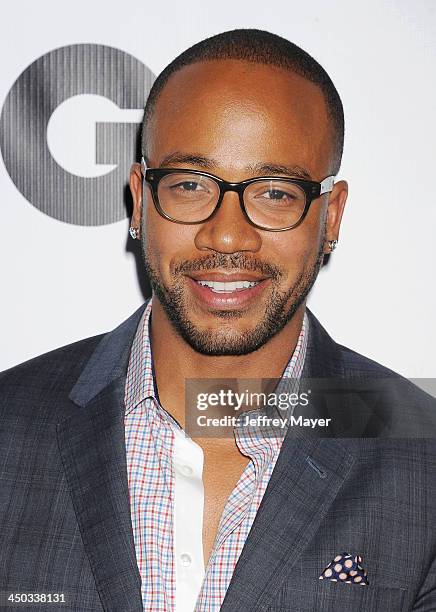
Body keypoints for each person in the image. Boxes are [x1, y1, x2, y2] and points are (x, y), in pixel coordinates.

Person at [0, 28, 435, 612]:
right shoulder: (10, 427)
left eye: (276, 193)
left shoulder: (422, 459)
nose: (227, 234)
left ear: (330, 218)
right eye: (188, 185)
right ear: (139, 201)